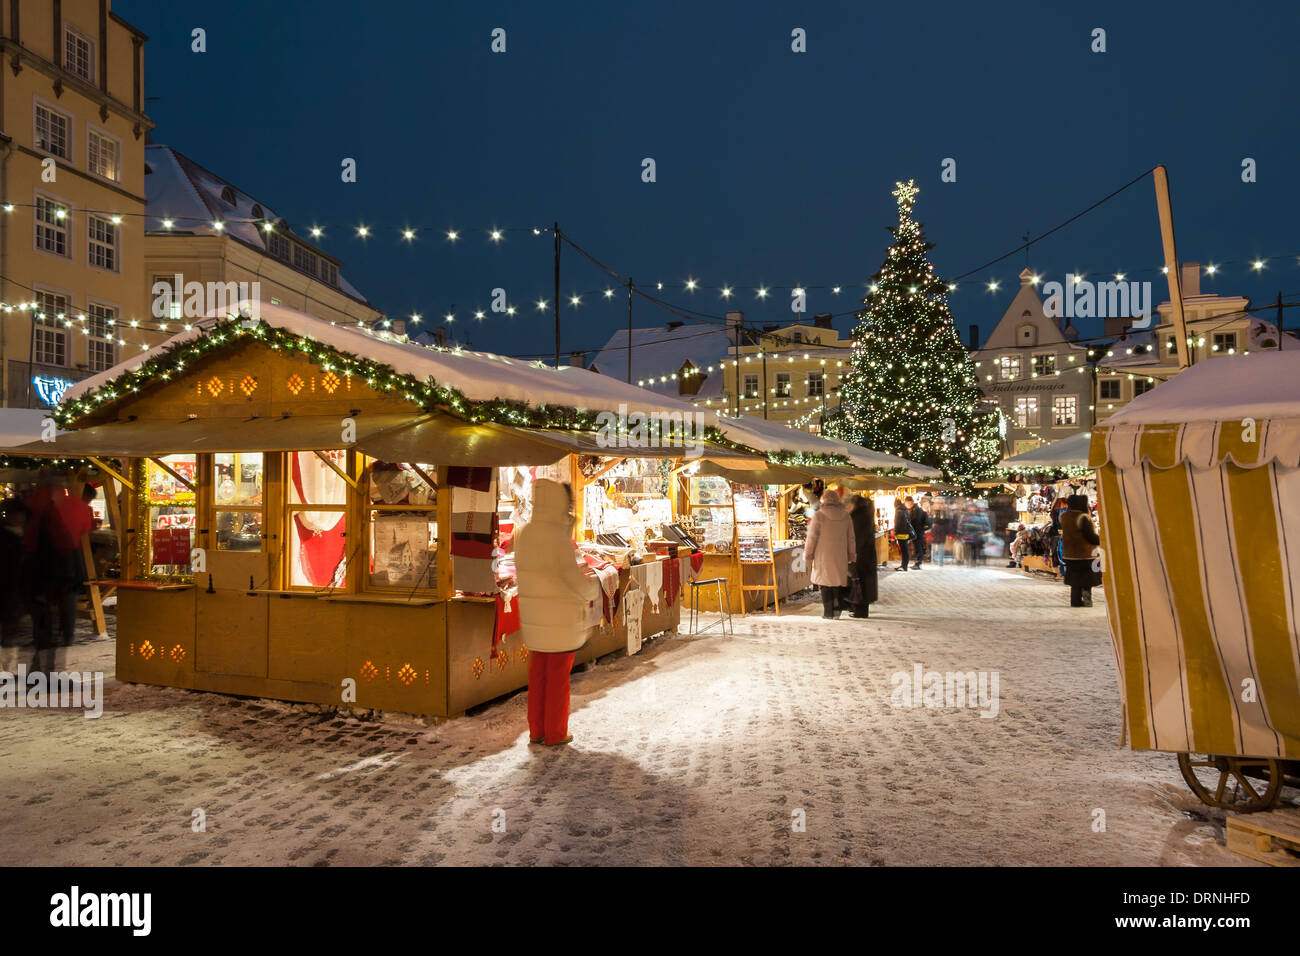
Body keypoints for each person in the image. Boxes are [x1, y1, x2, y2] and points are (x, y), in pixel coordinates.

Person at [514, 479, 599, 746]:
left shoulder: (525, 532)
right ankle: (556, 733)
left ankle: (537, 731)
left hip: (535, 621)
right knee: (558, 679)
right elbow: (572, 579)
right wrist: (592, 591)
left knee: (538, 676)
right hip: (560, 620)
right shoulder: (556, 538)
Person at [24, 470, 93, 673]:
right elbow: (83, 529)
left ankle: (36, 670)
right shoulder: (73, 506)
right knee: (60, 628)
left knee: (40, 627)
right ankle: (48, 671)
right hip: (63, 573)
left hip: (35, 573)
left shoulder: (30, 503)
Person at [806, 489, 855, 619]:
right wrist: (851, 554)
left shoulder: (819, 515)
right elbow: (851, 538)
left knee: (825, 583)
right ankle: (837, 610)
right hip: (840, 555)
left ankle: (828, 612)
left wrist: (809, 554)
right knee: (837, 582)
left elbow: (812, 537)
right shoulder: (846, 516)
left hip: (823, 556)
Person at [1060, 494, 1102, 607]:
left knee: (1075, 580)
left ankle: (1075, 601)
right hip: (1085, 553)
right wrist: (1100, 540)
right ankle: (1087, 599)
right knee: (1087, 579)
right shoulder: (1083, 517)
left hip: (1069, 554)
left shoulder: (1064, 516)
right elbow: (1090, 536)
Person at [847, 495, 879, 617]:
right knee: (862, 582)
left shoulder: (858, 518)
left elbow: (857, 539)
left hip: (860, 556)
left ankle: (859, 611)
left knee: (859, 582)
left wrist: (852, 555)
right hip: (867, 556)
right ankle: (859, 609)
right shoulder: (866, 515)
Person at [908, 497, 930, 569]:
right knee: (918, 547)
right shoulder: (917, 510)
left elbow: (915, 522)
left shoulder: (916, 510)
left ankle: (918, 563)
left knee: (918, 547)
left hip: (917, 532)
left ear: (910, 502)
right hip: (919, 532)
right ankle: (917, 563)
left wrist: (919, 529)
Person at [893, 496, 914, 571]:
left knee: (904, 550)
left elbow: (897, 524)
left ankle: (904, 566)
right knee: (905, 550)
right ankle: (904, 565)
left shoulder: (898, 511)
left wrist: (895, 532)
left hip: (901, 533)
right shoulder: (905, 510)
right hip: (906, 533)